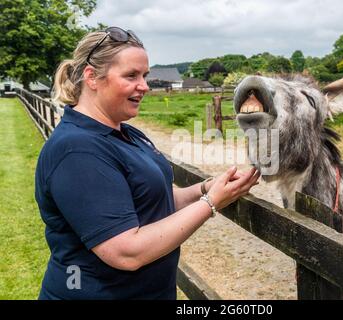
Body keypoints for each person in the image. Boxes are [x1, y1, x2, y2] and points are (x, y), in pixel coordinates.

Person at [35, 27, 260, 300]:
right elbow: (126, 252)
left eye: (145, 75)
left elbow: (150, 202)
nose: (144, 86)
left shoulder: (124, 132)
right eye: (131, 75)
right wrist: (210, 204)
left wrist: (205, 189)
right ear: (92, 77)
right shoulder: (77, 150)